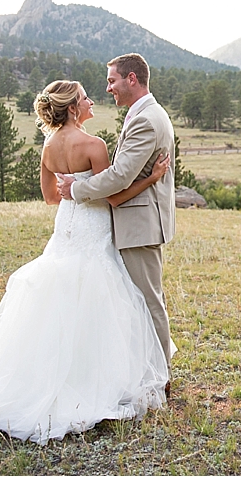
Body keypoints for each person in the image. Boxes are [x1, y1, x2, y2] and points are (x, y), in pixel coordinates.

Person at [0, 80, 171, 445]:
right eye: (84, 98)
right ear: (73, 107)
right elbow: (112, 198)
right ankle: (95, 379)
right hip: (93, 231)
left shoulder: (48, 146)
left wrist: (71, 191)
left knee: (60, 298)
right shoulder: (94, 145)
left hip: (65, 230)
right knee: (100, 299)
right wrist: (153, 179)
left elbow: (51, 197)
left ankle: (46, 375)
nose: (91, 101)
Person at [56, 53, 177, 396]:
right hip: (134, 219)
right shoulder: (143, 114)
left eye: (112, 80)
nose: (108, 88)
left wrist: (76, 189)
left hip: (139, 221)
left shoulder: (145, 120)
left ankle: (161, 380)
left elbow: (121, 174)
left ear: (132, 79)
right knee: (137, 301)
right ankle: (146, 372)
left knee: (149, 301)